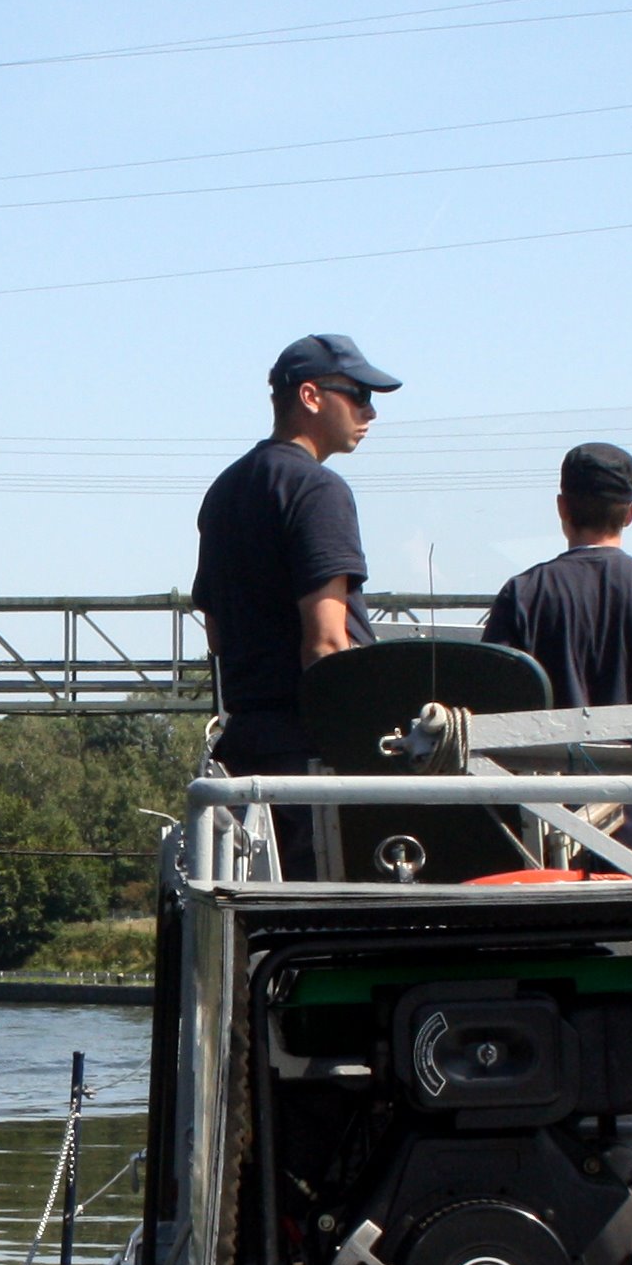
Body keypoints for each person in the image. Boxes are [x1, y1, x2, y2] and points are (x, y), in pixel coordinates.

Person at [194, 336, 398, 874]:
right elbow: (327, 641)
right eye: (357, 394)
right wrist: (359, 750)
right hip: (311, 762)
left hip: (244, 759)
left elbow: (216, 633)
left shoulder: (223, 492)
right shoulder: (317, 490)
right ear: (310, 395)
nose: (370, 410)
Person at [477, 442, 632, 711]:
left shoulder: (522, 592)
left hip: (544, 754)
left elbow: (489, 698)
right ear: (630, 514)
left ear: (562, 507)